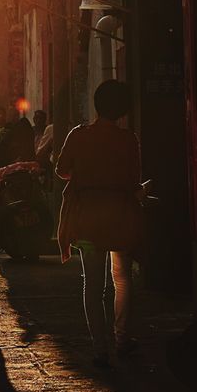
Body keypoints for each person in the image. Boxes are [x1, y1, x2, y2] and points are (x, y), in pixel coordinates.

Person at [55, 80, 146, 367]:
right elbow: (134, 181)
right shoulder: (128, 139)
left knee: (93, 284)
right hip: (120, 215)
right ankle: (122, 339)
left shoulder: (78, 136)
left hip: (86, 219)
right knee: (122, 280)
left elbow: (61, 171)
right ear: (122, 110)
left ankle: (99, 348)